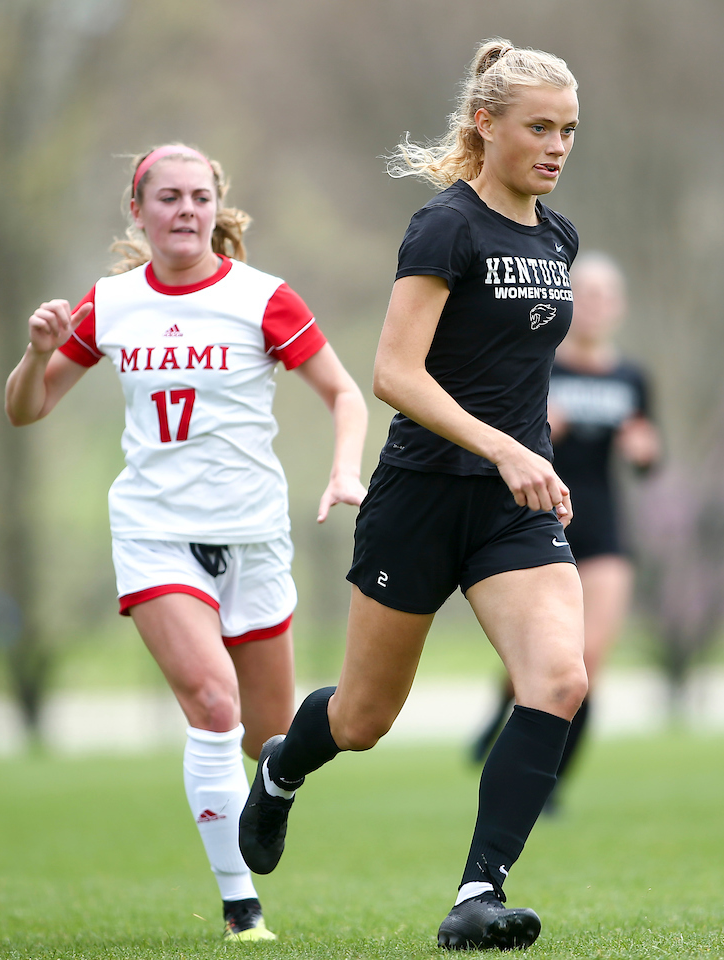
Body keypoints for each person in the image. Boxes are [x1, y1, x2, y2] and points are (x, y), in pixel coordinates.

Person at [237, 39, 584, 951]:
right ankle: (280, 769)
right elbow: (395, 372)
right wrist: (505, 447)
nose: (556, 146)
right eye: (538, 127)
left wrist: (535, 458)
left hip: (513, 505)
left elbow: (514, 367)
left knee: (559, 679)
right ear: (486, 123)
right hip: (424, 495)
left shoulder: (558, 238)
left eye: (569, 130)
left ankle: (478, 894)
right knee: (361, 719)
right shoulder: (446, 227)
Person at [4, 144, 368, 942]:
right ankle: (243, 909)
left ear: (216, 207)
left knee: (266, 739)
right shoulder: (108, 305)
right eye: (167, 197)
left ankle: (272, 783)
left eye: (199, 197)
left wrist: (345, 470)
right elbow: (26, 410)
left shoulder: (263, 299)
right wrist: (35, 357)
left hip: (255, 536)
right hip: (155, 531)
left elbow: (344, 392)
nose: (185, 211)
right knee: (212, 703)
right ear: (138, 211)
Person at [471, 251, 660, 806]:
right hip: (539, 521)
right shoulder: (542, 363)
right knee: (540, 659)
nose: (597, 307)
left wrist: (646, 453)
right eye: (588, 295)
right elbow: (504, 438)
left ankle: (546, 783)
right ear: (569, 302)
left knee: (586, 663)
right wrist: (543, 431)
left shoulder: (632, 378)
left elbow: (648, 455)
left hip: (602, 532)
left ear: (619, 308)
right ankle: (500, 712)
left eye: (607, 297)